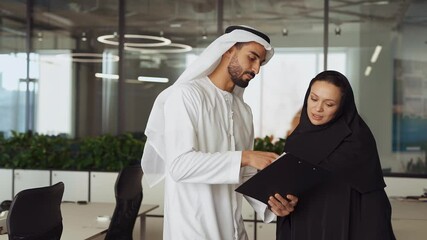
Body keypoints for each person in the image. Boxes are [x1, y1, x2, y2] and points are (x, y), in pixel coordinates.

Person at [141, 25, 298, 240]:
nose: (256, 69)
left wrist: (271, 204)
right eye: (251, 58)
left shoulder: (243, 111)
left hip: (234, 232)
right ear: (228, 50)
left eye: (260, 63)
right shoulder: (186, 96)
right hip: (193, 233)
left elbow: (244, 174)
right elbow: (179, 166)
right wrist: (246, 157)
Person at [276, 70, 396, 240]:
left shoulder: (357, 140)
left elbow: (373, 199)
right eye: (314, 98)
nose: (318, 108)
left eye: (329, 104)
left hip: (348, 226)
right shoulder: (296, 141)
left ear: (342, 107)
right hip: (305, 224)